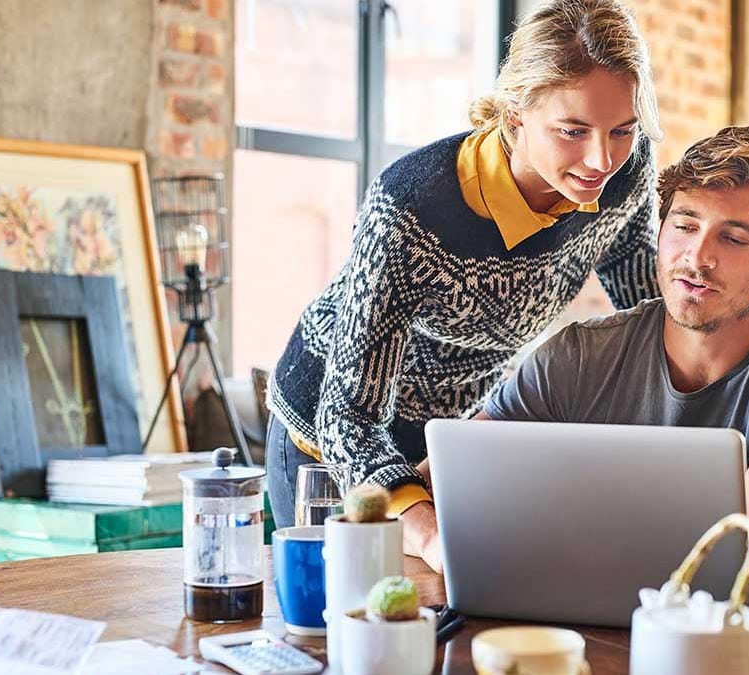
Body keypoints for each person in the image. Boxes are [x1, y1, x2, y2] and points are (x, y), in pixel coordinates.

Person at [264, 0, 664, 570]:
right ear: (515, 116)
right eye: (572, 131)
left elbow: (643, 296)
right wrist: (429, 536)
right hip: (331, 442)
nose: (601, 158)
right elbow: (349, 417)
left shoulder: (626, 170)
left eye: (621, 129)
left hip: (451, 441)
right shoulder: (411, 207)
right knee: (356, 615)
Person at [420, 126, 749, 586]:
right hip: (579, 611)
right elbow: (429, 485)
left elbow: (748, 560)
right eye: (685, 226)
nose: (697, 257)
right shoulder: (580, 355)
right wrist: (432, 543)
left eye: (733, 239)